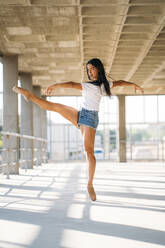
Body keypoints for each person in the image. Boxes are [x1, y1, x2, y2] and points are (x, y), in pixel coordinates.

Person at [13, 58, 144, 201]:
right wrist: (55, 86)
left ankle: (90, 184)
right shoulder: (95, 85)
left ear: (98, 69)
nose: (90, 72)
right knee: (56, 107)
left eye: (92, 69)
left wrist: (134, 85)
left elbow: (117, 82)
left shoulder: (101, 86)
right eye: (88, 69)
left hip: (90, 118)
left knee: (89, 153)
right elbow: (119, 82)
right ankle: (30, 96)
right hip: (81, 114)